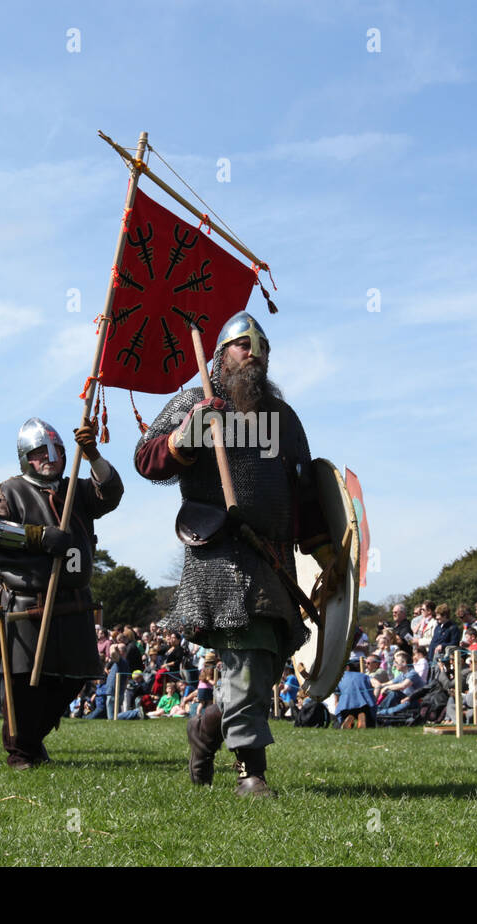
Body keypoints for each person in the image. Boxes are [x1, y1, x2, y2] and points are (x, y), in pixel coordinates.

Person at [134, 311, 334, 796]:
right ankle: (251, 773)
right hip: (222, 555)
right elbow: (146, 458)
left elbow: (303, 494)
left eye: (262, 347)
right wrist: (184, 437)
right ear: (222, 354)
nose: (255, 354)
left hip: (272, 558)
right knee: (245, 665)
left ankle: (204, 726)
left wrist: (325, 555)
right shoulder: (197, 402)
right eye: (244, 344)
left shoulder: (282, 419)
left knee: (261, 671)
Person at [0, 415, 122, 766]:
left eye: (55, 451)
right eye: (40, 452)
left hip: (72, 602)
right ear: (26, 457)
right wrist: (38, 537)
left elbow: (112, 493)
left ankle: (30, 741)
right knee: (27, 684)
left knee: (71, 680)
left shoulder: (77, 490)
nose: (50, 458)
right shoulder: (8, 491)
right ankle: (21, 751)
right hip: (25, 600)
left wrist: (92, 455)